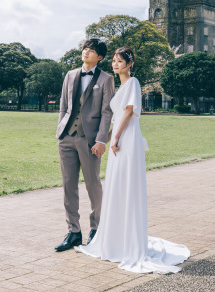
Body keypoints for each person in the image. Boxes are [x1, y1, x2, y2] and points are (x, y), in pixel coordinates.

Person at [76, 46, 190, 273]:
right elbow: (118, 116)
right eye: (114, 61)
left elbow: (129, 111)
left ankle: (129, 242)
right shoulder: (120, 86)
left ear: (129, 64)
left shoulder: (133, 83)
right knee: (117, 185)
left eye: (120, 61)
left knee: (127, 184)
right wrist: (106, 138)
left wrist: (116, 137)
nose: (115, 64)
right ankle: (116, 239)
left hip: (128, 140)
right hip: (119, 138)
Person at [55, 38, 114, 252]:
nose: (86, 52)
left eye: (92, 50)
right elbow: (64, 106)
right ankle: (73, 232)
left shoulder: (106, 79)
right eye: (85, 49)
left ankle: (97, 229)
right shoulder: (70, 75)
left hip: (90, 141)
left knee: (93, 185)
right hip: (67, 138)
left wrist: (101, 140)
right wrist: (61, 131)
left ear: (100, 57)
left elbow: (107, 112)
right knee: (68, 185)